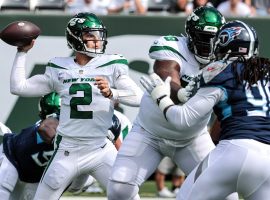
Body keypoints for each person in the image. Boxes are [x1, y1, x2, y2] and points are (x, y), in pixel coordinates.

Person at [9, 12, 143, 200]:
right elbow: (18, 87)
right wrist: (22, 52)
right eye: (90, 36)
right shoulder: (59, 68)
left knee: (129, 195)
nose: (97, 41)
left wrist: (114, 93)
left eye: (98, 36)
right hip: (67, 150)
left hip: (101, 148)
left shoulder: (111, 64)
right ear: (75, 38)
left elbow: (139, 98)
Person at [107, 6, 231, 200]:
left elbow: (225, 112)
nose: (208, 45)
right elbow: (166, 76)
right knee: (119, 189)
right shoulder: (173, 46)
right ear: (190, 35)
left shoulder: (225, 59)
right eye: (203, 37)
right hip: (150, 133)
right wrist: (181, 93)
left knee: (225, 194)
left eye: (213, 38)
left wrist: (216, 146)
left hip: (193, 138)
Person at [142, 20, 270, 200]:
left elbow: (182, 119)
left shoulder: (219, 71)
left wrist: (161, 98)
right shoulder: (266, 71)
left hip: (233, 151)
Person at [0, 92, 60, 200]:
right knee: (3, 192)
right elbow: (45, 130)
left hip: (33, 174)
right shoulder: (46, 128)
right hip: (12, 157)